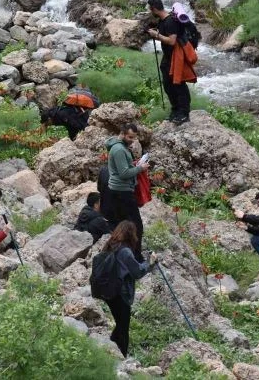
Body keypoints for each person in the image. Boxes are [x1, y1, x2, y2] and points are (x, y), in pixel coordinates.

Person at [101, 221, 157, 357]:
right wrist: (150, 263)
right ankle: (122, 356)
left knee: (120, 324)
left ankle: (110, 349)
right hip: (121, 293)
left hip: (108, 291)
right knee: (123, 328)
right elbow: (137, 272)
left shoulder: (110, 246)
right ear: (130, 234)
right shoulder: (125, 251)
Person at [105, 124, 150, 262]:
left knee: (123, 225)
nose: (132, 140)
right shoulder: (119, 149)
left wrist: (135, 165)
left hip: (118, 191)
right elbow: (124, 173)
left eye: (134, 138)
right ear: (123, 133)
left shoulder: (120, 147)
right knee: (136, 225)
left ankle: (123, 254)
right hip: (122, 192)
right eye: (130, 137)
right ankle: (136, 257)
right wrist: (140, 168)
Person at [147, 0, 191, 124]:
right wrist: (154, 33)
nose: (150, 12)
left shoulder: (170, 21)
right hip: (168, 57)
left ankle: (184, 113)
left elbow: (172, 41)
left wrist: (157, 35)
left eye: (150, 9)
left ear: (155, 9)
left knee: (179, 84)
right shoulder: (162, 21)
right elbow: (165, 37)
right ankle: (175, 110)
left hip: (176, 57)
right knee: (168, 85)